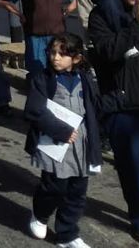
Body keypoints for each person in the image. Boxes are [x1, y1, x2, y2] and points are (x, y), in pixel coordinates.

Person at [88, 0, 139, 246]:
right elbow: (109, 52)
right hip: (124, 108)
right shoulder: (101, 15)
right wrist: (136, 25)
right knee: (133, 171)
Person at [24, 33, 101, 248]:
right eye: (53, 52)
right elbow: (34, 110)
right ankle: (39, 214)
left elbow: (93, 108)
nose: (55, 58)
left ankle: (67, 234)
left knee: (77, 192)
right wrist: (61, 130)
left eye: (62, 54)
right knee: (53, 188)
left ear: (76, 58)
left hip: (81, 145)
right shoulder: (43, 78)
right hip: (54, 145)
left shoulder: (84, 78)